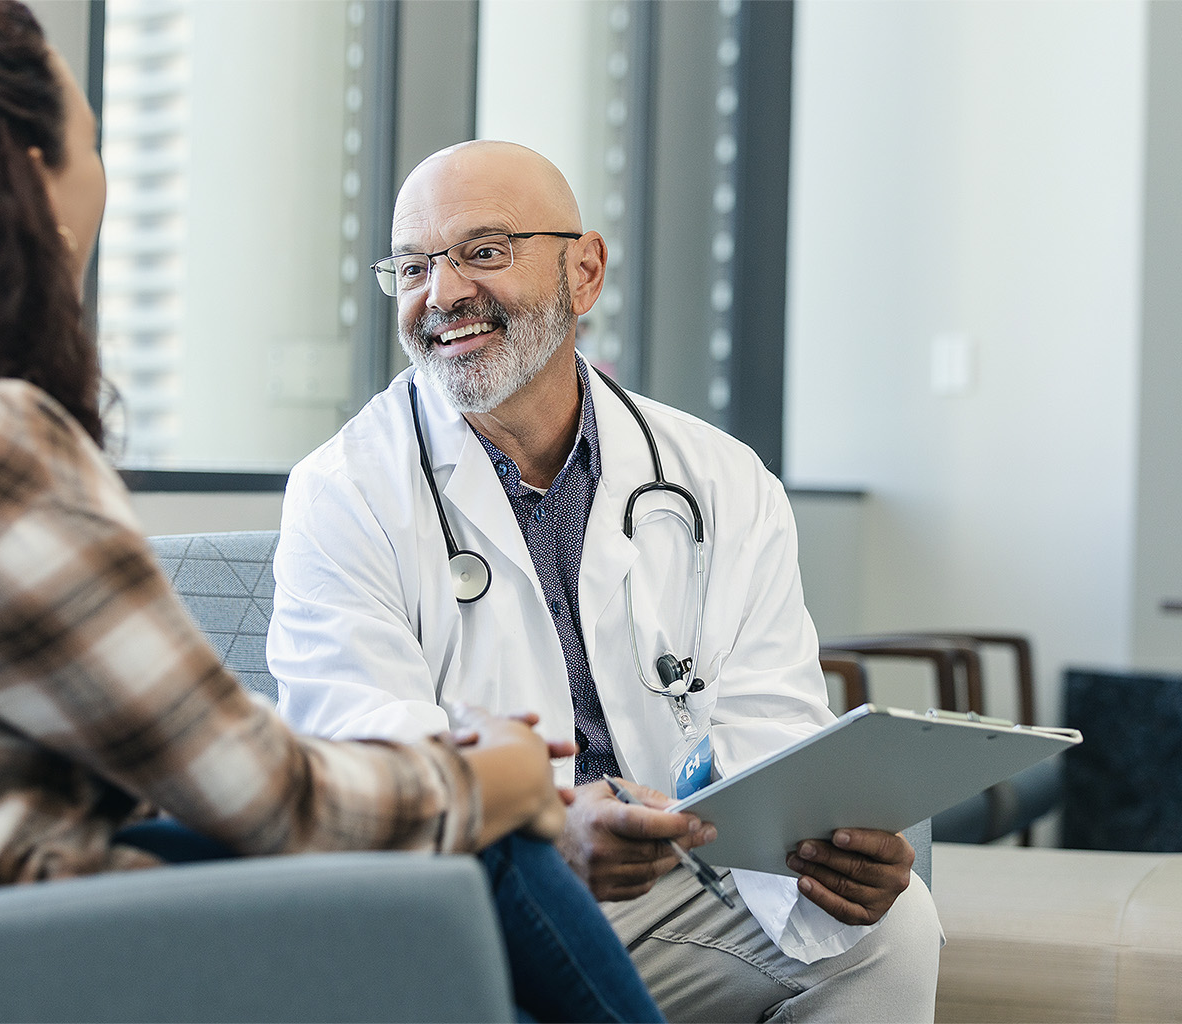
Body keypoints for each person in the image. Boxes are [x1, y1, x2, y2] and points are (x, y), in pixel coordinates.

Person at [0, 7, 661, 1020]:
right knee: (481, 841)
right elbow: (275, 798)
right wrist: (498, 777)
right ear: (27, 183)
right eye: (91, 144)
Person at [269, 139, 945, 1022]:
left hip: (672, 881)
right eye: (412, 267)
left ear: (582, 272)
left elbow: (770, 714)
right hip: (473, 895)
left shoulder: (723, 479)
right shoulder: (344, 488)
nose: (442, 295)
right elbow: (357, 740)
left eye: (483, 252)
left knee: (891, 934)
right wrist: (546, 821)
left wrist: (822, 843)